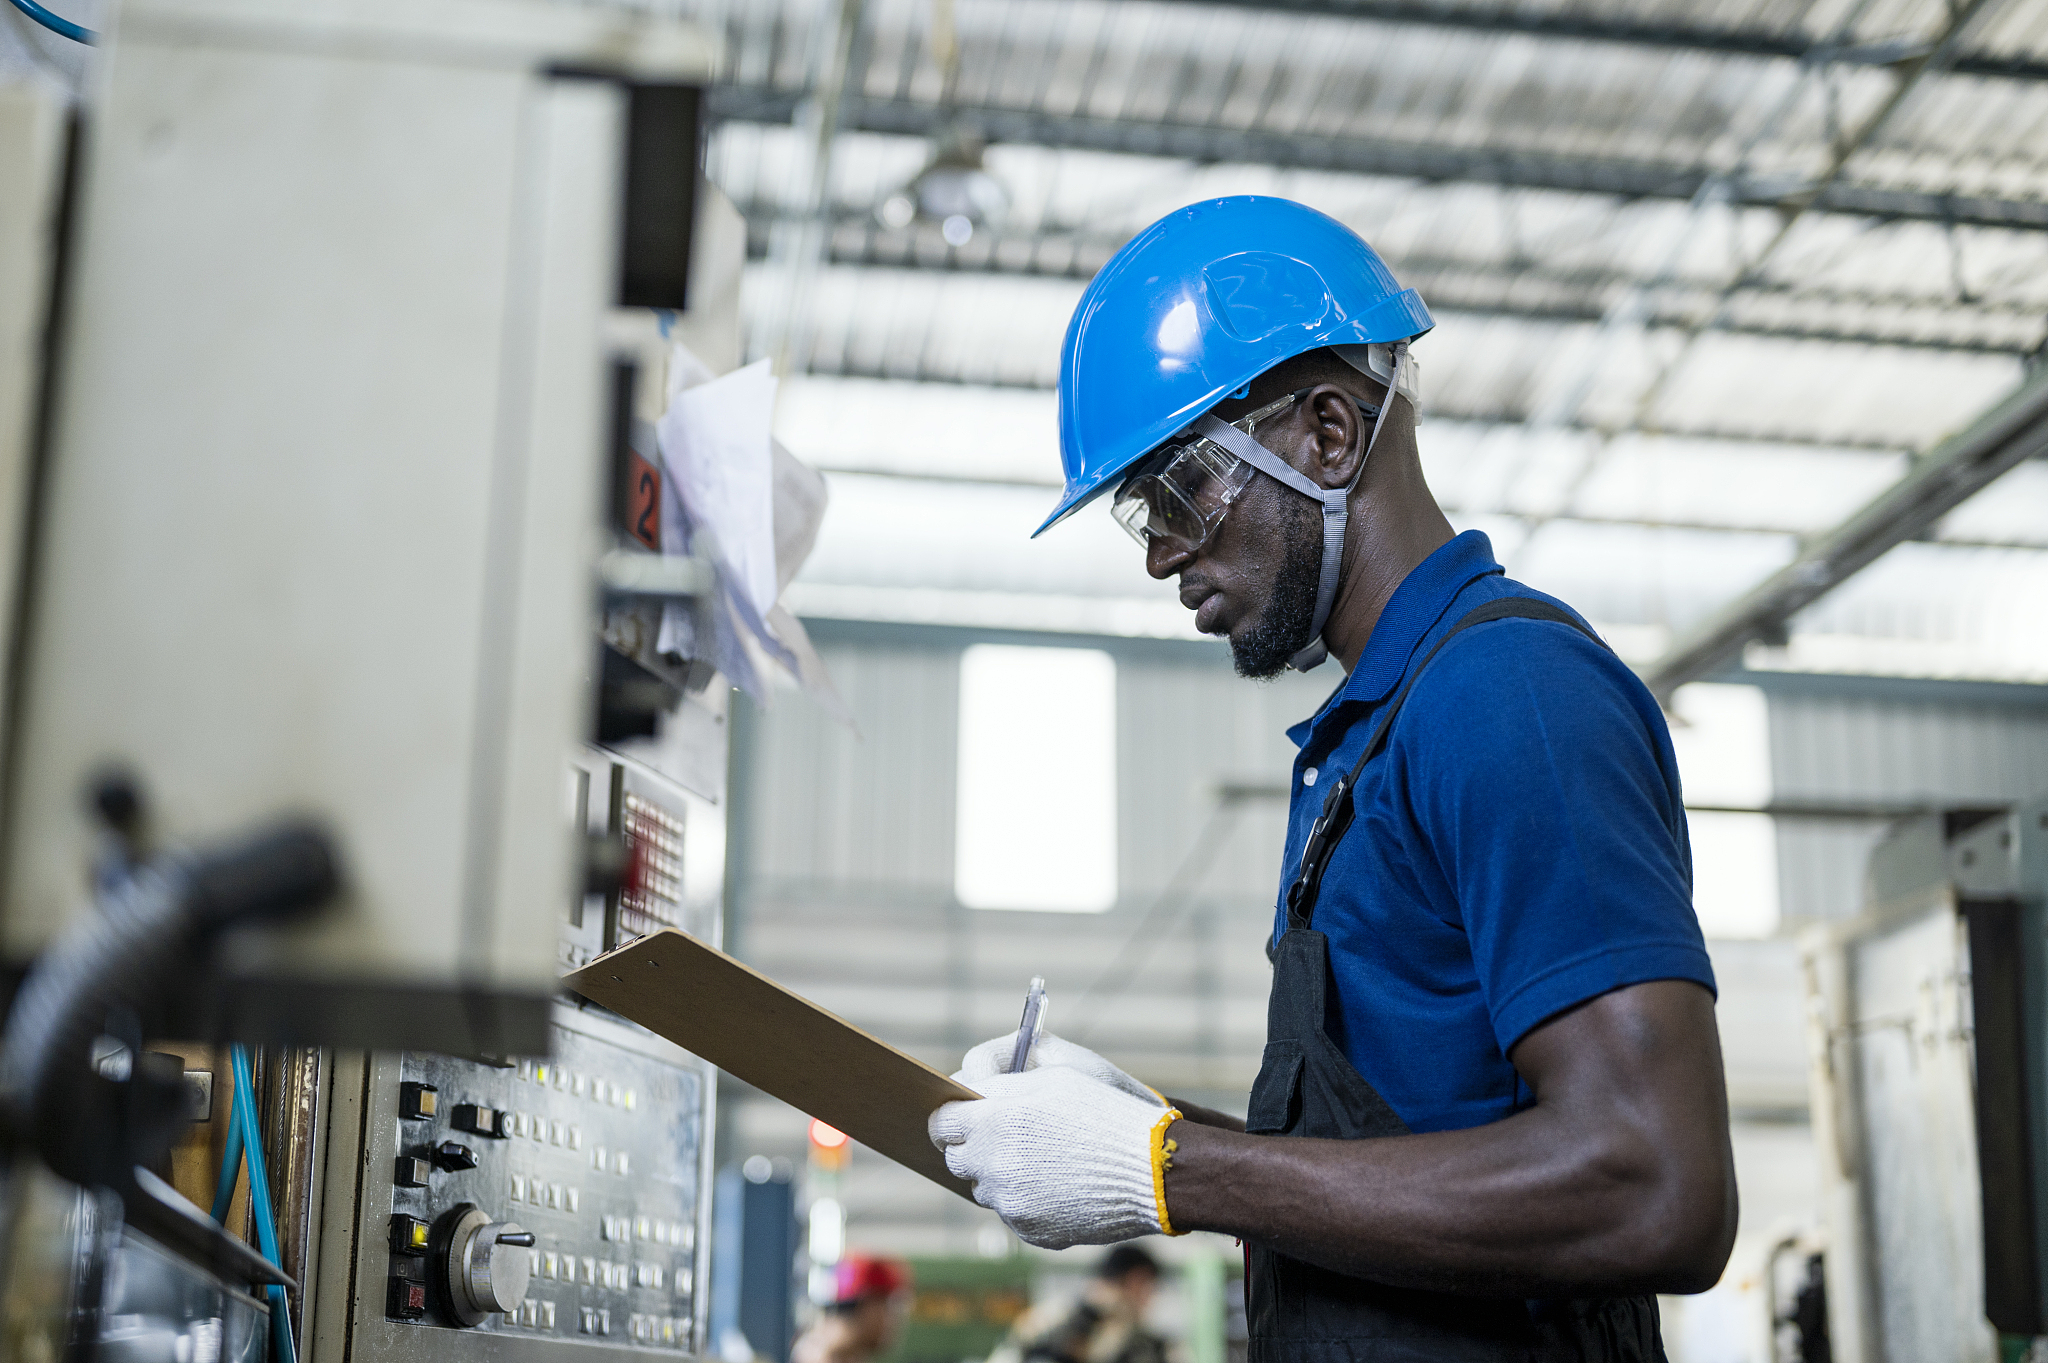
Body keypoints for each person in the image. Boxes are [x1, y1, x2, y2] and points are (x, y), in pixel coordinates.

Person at [927, 196, 1736, 1361]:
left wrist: (1175, 1169)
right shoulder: (1370, 738)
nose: (1159, 551)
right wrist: (1132, 1133)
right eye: (1137, 512)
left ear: (1326, 436)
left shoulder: (1506, 698)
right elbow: (1404, 1151)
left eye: (1180, 489)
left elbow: (1654, 1184)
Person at [991, 1246, 1170, 1363]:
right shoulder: (1055, 1319)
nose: (1149, 1298)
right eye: (1146, 1287)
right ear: (1131, 1281)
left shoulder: (1144, 1341)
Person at [791, 1255, 911, 1363]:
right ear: (864, 1304)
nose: (895, 1319)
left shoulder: (844, 1355)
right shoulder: (818, 1357)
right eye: (890, 1305)